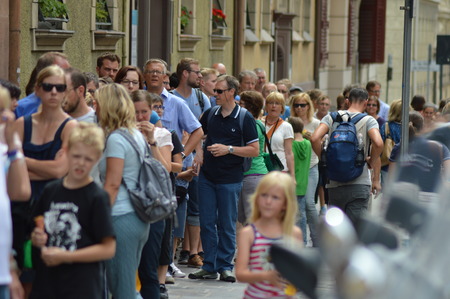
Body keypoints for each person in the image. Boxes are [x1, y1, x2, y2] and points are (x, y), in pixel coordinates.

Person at [30, 123, 116, 299]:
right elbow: (35, 226)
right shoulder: (51, 190)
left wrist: (67, 256)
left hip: (82, 285)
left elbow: (108, 248)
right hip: (47, 284)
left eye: (88, 159)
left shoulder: (97, 197)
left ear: (98, 158)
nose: (81, 164)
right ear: (66, 151)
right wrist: (36, 237)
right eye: (76, 156)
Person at [188, 75, 258, 282]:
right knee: (207, 222)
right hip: (208, 177)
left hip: (231, 178)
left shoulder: (245, 117)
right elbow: (197, 134)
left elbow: (254, 150)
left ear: (231, 92)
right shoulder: (210, 113)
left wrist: (228, 149)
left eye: (219, 91)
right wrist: (198, 153)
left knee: (226, 223)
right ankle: (209, 265)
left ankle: (226, 265)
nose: (214, 94)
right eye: (215, 91)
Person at [13, 66, 77, 289]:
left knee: (50, 277)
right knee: (22, 274)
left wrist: (22, 161)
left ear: (66, 92)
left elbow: (60, 170)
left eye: (59, 88)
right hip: (19, 206)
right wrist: (45, 166)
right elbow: (7, 167)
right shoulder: (22, 124)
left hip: (54, 207)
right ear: (37, 90)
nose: (53, 93)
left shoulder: (71, 127)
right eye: (48, 87)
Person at [96, 84, 150, 298]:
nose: (95, 109)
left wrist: (97, 218)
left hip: (121, 217)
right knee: (125, 286)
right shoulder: (134, 134)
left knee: (123, 290)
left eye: (98, 104)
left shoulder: (116, 138)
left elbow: (112, 184)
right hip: (137, 217)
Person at [311, 88, 383, 224]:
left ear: (347, 101)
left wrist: (325, 159)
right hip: (359, 183)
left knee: (337, 230)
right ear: (366, 102)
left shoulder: (331, 117)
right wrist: (371, 162)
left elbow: (314, 138)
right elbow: (378, 143)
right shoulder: (369, 120)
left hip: (334, 184)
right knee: (356, 231)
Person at [235, 171, 302, 298]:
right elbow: (240, 273)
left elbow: (296, 273)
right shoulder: (248, 233)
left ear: (285, 204)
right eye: (264, 195)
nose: (268, 201)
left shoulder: (294, 234)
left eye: (275, 197)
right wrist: (265, 276)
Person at [0, 85, 30, 299]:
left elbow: (21, 192)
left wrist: (13, 146)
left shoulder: (6, 152)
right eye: (1, 110)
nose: (9, 116)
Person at [290, 93, 320, 246]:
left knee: (309, 203)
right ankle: (298, 240)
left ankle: (317, 239)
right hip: (293, 169)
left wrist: (308, 135)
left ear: (309, 106)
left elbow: (319, 144)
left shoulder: (316, 123)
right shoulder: (290, 123)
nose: (300, 108)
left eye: (303, 105)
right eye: (296, 105)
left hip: (312, 166)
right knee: (295, 206)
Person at [237, 91, 268, 225]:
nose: (238, 106)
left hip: (252, 173)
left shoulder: (252, 125)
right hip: (256, 173)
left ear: (249, 107)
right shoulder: (260, 123)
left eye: (241, 104)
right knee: (246, 218)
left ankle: (254, 245)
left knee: (251, 219)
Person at [16, 52, 71, 118]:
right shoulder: (21, 109)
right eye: (64, 71)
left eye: (60, 87)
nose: (54, 92)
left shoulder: (72, 107)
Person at [288, 116, 311, 246]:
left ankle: (293, 241)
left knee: (290, 215)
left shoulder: (292, 145)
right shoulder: (307, 144)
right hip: (303, 183)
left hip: (292, 182)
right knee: (301, 214)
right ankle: (303, 241)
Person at [262, 92, 295, 178]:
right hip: (261, 169)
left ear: (282, 108)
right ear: (266, 106)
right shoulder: (259, 123)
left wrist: (292, 176)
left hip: (280, 170)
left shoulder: (286, 126)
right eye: (270, 103)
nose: (273, 106)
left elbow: (289, 153)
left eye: (277, 103)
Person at [380, 99, 402, 184]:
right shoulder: (409, 127)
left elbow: (380, 145)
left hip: (387, 167)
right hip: (405, 166)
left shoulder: (386, 126)